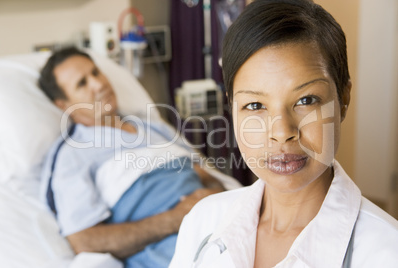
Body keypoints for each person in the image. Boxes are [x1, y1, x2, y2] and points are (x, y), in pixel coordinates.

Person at [169, 0, 398, 267]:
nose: (281, 133)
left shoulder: (386, 252)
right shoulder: (203, 222)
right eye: (255, 106)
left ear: (343, 98)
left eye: (306, 100)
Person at [38, 47, 231, 268]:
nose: (99, 84)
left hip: (217, 225)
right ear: (63, 105)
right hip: (172, 251)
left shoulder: (155, 128)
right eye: (82, 83)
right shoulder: (72, 155)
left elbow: (206, 175)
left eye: (96, 72)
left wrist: (213, 199)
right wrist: (174, 219)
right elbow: (84, 240)